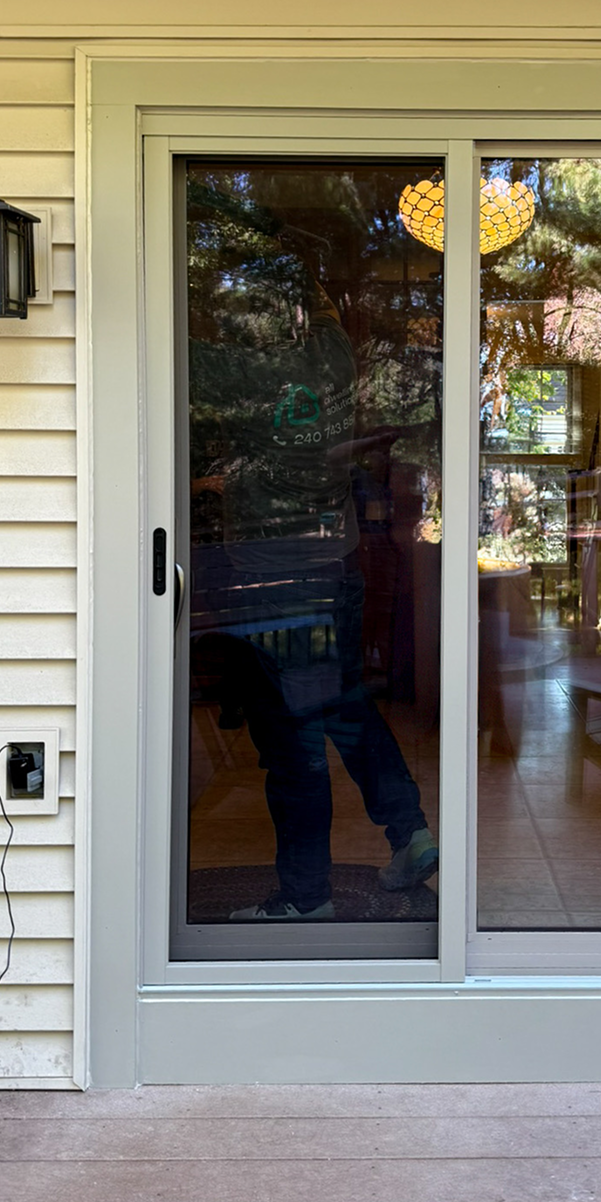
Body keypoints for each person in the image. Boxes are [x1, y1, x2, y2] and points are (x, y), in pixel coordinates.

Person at [190, 273, 437, 922]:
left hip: (277, 582)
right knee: (344, 705)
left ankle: (305, 897)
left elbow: (170, 350)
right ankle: (409, 830)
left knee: (291, 743)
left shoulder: (233, 371)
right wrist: (307, 273)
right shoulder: (331, 357)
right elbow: (324, 309)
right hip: (336, 571)